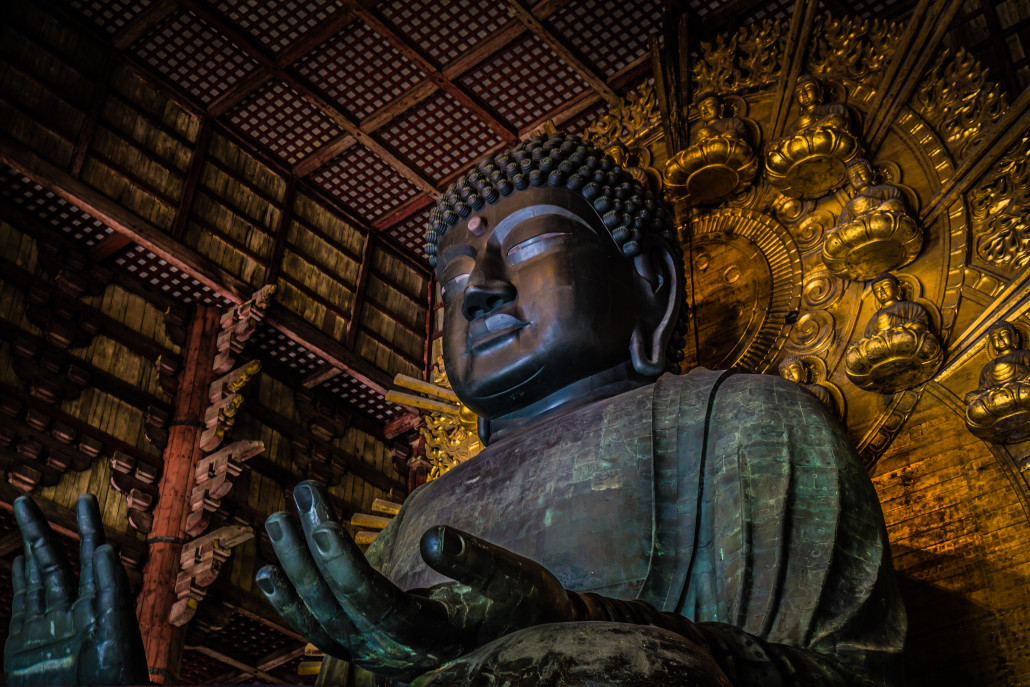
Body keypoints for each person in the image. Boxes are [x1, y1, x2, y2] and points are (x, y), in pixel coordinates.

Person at [5, 133, 905, 686]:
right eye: (452, 279)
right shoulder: (418, 518)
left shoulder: (744, 423)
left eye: (532, 244)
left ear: (652, 291)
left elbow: (856, 676)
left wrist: (574, 628)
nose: (480, 290)